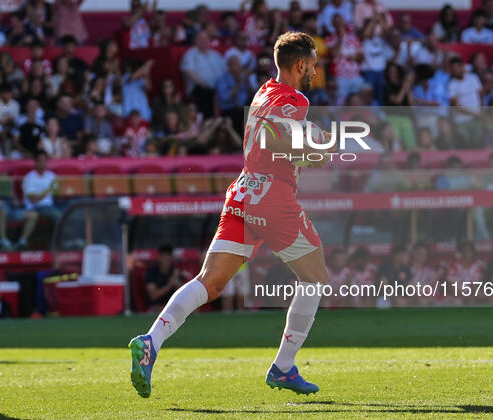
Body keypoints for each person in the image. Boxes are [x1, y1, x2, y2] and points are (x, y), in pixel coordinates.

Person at [129, 32, 337, 398]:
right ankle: (284, 367)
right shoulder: (295, 99)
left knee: (209, 282)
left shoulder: (263, 91)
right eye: (313, 64)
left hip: (243, 190)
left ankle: (151, 341)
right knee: (315, 278)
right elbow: (280, 136)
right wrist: (317, 147)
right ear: (300, 65)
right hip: (272, 194)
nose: (315, 70)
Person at [16, 150, 59, 249]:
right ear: (35, 162)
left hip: (51, 205)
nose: (43, 163)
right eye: (40, 160)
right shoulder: (29, 178)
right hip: (36, 207)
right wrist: (49, 190)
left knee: (69, 209)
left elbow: (58, 194)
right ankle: (59, 242)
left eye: (45, 160)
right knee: (57, 215)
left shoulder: (51, 176)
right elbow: (33, 200)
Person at [180, 30, 226, 119]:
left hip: (217, 90)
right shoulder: (190, 54)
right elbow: (188, 71)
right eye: (200, 38)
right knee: (205, 95)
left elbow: (224, 71)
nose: (203, 40)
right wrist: (205, 84)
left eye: (206, 38)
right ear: (195, 40)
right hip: (200, 90)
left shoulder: (215, 55)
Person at [145, 244, 184, 310]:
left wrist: (177, 283)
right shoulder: (152, 272)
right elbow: (153, 296)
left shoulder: (175, 272)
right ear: (159, 257)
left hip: (173, 305)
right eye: (163, 256)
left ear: (171, 258)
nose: (166, 259)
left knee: (192, 309)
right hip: (157, 306)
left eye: (168, 256)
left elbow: (183, 296)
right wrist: (170, 284)